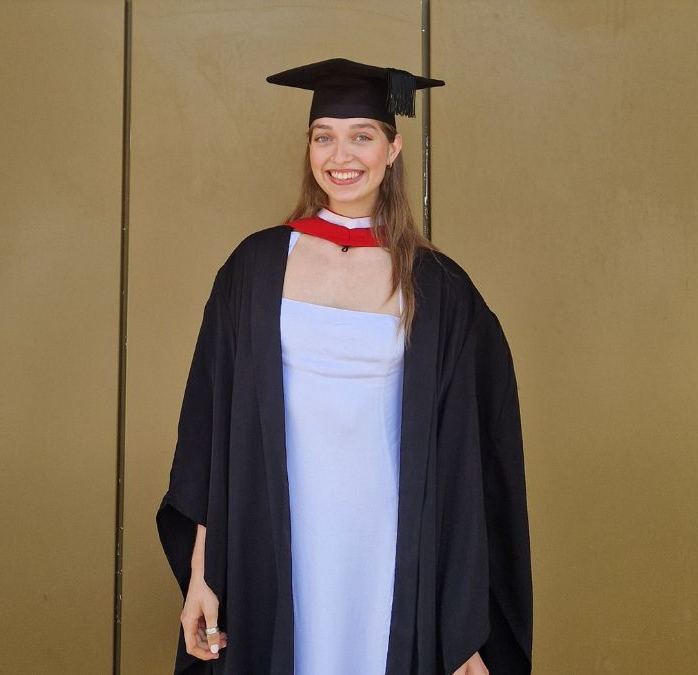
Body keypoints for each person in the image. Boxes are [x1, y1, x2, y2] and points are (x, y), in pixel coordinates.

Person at [156, 57, 532, 675]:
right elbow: (208, 435)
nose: (342, 154)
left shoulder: (438, 288)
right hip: (274, 540)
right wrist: (202, 576)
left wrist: (464, 625)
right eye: (324, 135)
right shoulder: (253, 269)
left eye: (363, 136)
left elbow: (477, 459)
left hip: (389, 545)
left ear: (394, 148)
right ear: (309, 148)